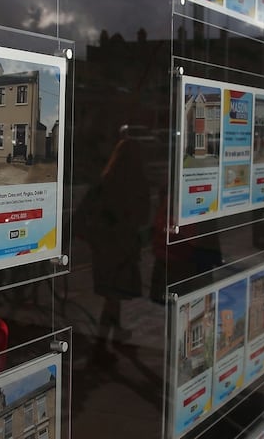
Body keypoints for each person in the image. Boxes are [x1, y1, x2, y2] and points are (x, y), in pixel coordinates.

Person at [76, 129, 151, 357]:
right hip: (122, 247)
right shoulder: (136, 183)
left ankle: (114, 331)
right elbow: (143, 216)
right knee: (114, 294)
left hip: (104, 247)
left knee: (112, 293)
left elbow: (83, 211)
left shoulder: (106, 180)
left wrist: (90, 236)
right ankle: (101, 343)